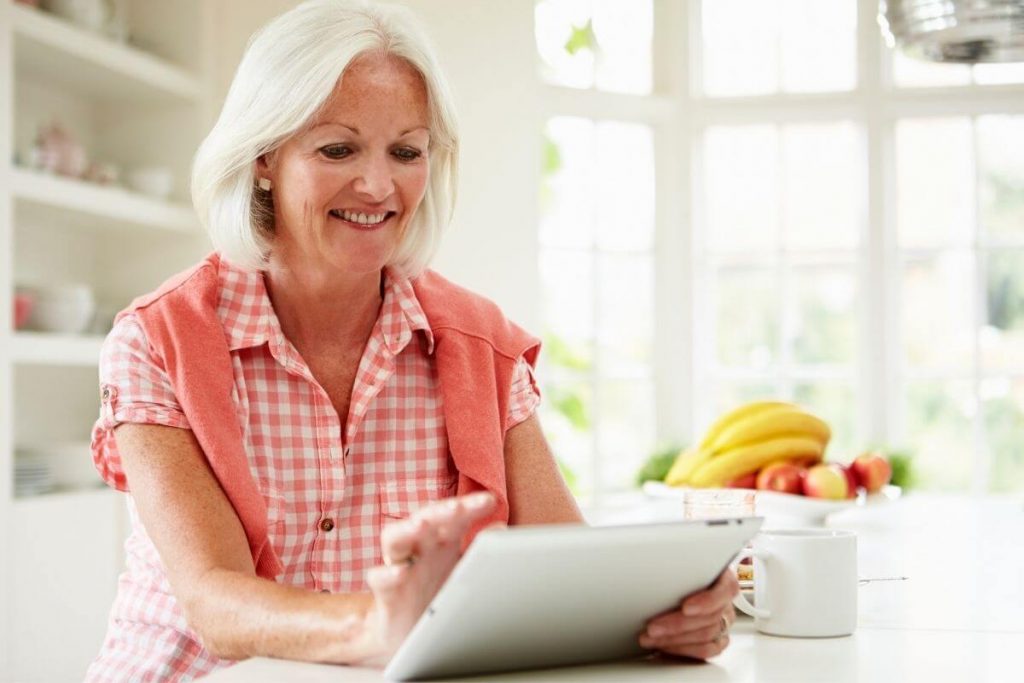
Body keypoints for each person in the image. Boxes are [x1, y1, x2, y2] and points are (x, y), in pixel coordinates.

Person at [84, 1, 739, 680]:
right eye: (338, 148)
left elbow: (569, 580)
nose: (378, 184)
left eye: (406, 151)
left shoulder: (480, 347)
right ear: (263, 159)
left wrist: (668, 617)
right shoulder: (158, 341)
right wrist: (378, 621)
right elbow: (214, 603)